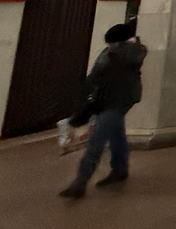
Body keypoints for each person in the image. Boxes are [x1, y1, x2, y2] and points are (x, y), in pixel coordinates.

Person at [59, 24, 147, 199]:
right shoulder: (129, 51)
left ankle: (80, 182)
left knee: (96, 140)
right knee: (116, 134)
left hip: (113, 101)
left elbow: (98, 77)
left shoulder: (118, 53)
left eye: (110, 42)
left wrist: (86, 99)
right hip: (120, 98)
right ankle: (120, 169)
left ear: (118, 41)